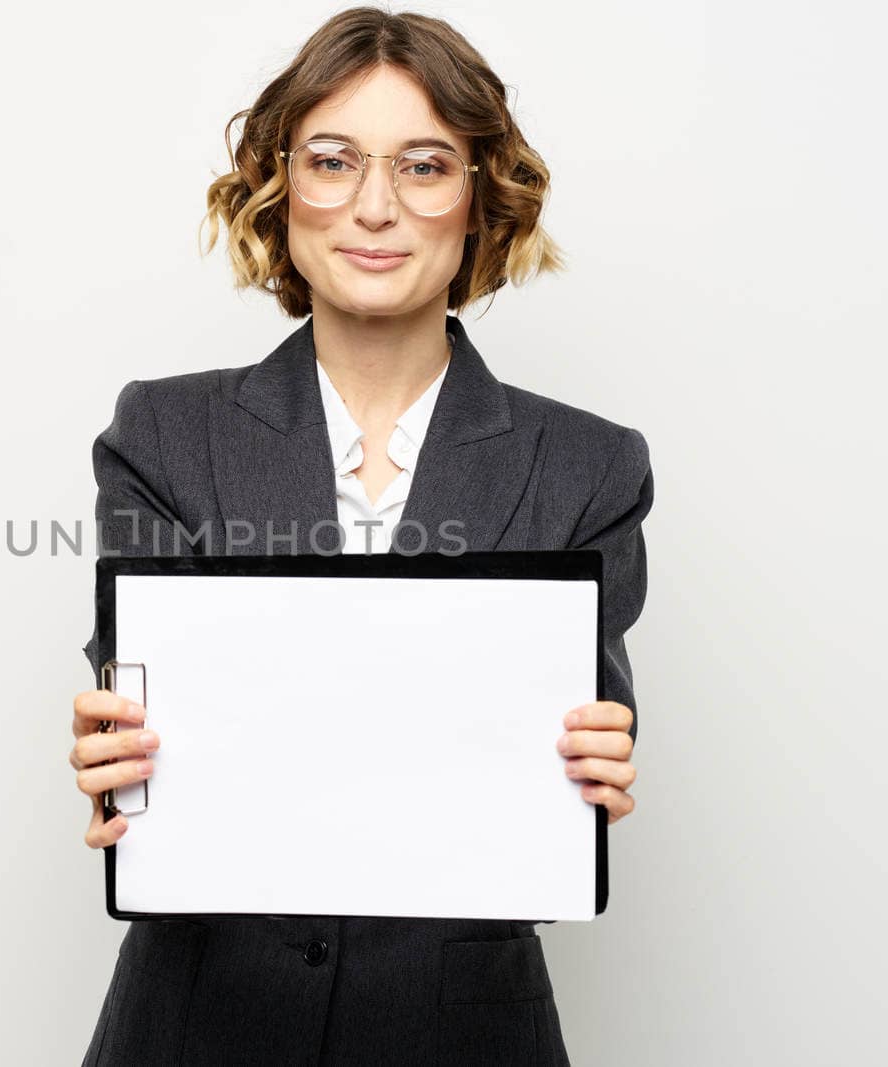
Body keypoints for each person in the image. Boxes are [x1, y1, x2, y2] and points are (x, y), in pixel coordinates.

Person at [66, 8, 652, 1063]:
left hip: (461, 1029)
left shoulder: (586, 465)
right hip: (200, 1022)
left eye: (424, 165)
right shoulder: (161, 432)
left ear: (478, 197)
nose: (374, 207)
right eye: (332, 160)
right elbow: (138, 695)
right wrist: (121, 752)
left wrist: (601, 755)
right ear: (278, 185)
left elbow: (586, 731)